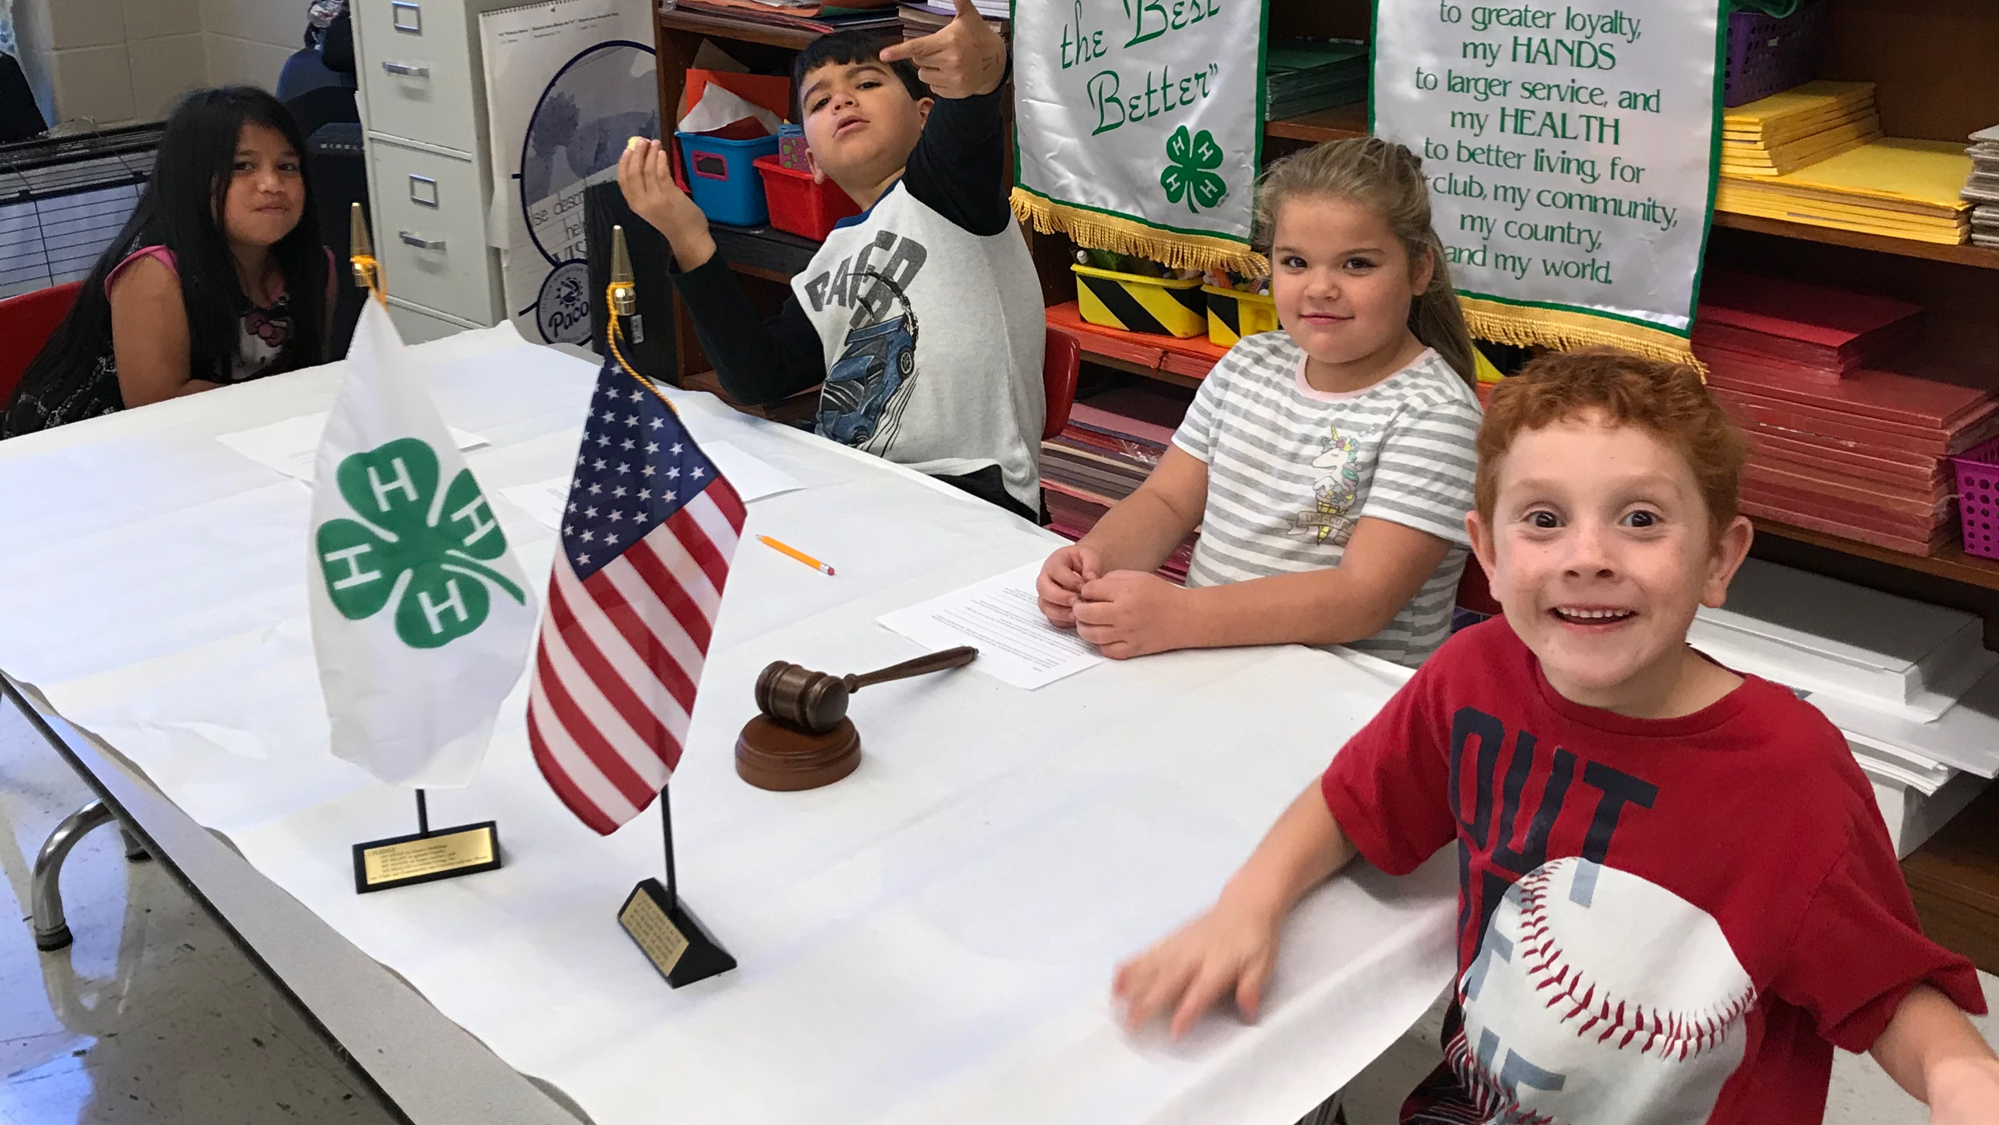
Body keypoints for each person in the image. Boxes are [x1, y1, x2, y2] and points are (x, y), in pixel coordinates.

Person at [1112, 348, 1999, 1123]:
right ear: (1487, 556)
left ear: (1719, 560)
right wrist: (1248, 904)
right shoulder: (1474, 675)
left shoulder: (1791, 773)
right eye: (1543, 519)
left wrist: (1959, 1072)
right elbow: (1350, 802)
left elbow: (1883, 991)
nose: (1587, 555)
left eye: (1640, 518)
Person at [1034, 137, 1483, 667]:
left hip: (1347, 701)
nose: (1320, 288)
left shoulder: (1435, 415)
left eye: (1357, 264)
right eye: (1296, 262)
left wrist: (1181, 616)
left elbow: (1362, 598)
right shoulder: (1248, 362)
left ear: (1419, 269)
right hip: (1212, 663)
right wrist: (1095, 562)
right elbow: (1166, 502)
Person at [616, 0, 1044, 520]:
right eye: (819, 104)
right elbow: (758, 378)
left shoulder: (947, 192)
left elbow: (968, 123)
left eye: (866, 84)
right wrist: (687, 236)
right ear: (810, 160)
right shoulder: (829, 262)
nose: (842, 101)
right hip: (854, 485)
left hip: (969, 494)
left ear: (926, 114)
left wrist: (983, 72)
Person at [2, 86, 329, 438]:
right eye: (242, 166)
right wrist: (288, 406)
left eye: (287, 166)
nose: (272, 183)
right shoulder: (156, 271)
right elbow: (158, 407)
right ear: (190, 178)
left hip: (237, 437)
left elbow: (311, 374)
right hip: (85, 450)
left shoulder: (314, 265)